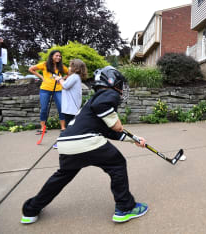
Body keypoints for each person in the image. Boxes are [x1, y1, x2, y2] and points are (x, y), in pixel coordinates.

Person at [21, 66, 148, 224]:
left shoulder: (94, 101)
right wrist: (117, 123)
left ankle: (30, 210)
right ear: (111, 82)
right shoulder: (108, 94)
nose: (121, 89)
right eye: (120, 85)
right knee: (117, 164)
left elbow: (107, 130)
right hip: (87, 141)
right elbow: (114, 124)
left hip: (67, 143)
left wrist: (134, 139)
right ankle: (125, 208)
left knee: (62, 176)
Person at [29, 50, 68, 134]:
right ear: (51, 56)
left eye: (60, 56)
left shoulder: (61, 66)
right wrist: (42, 77)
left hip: (58, 90)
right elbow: (31, 69)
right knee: (44, 109)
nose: (58, 57)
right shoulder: (44, 64)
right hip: (45, 90)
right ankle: (43, 128)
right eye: (56, 55)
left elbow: (69, 73)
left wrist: (62, 78)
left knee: (61, 107)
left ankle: (63, 127)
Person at [55, 59, 87, 127]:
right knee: (71, 125)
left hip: (71, 108)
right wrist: (62, 80)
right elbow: (66, 85)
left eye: (70, 66)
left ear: (75, 67)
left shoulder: (74, 76)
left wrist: (59, 79)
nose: (69, 67)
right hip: (70, 107)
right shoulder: (75, 76)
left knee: (70, 125)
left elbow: (65, 86)